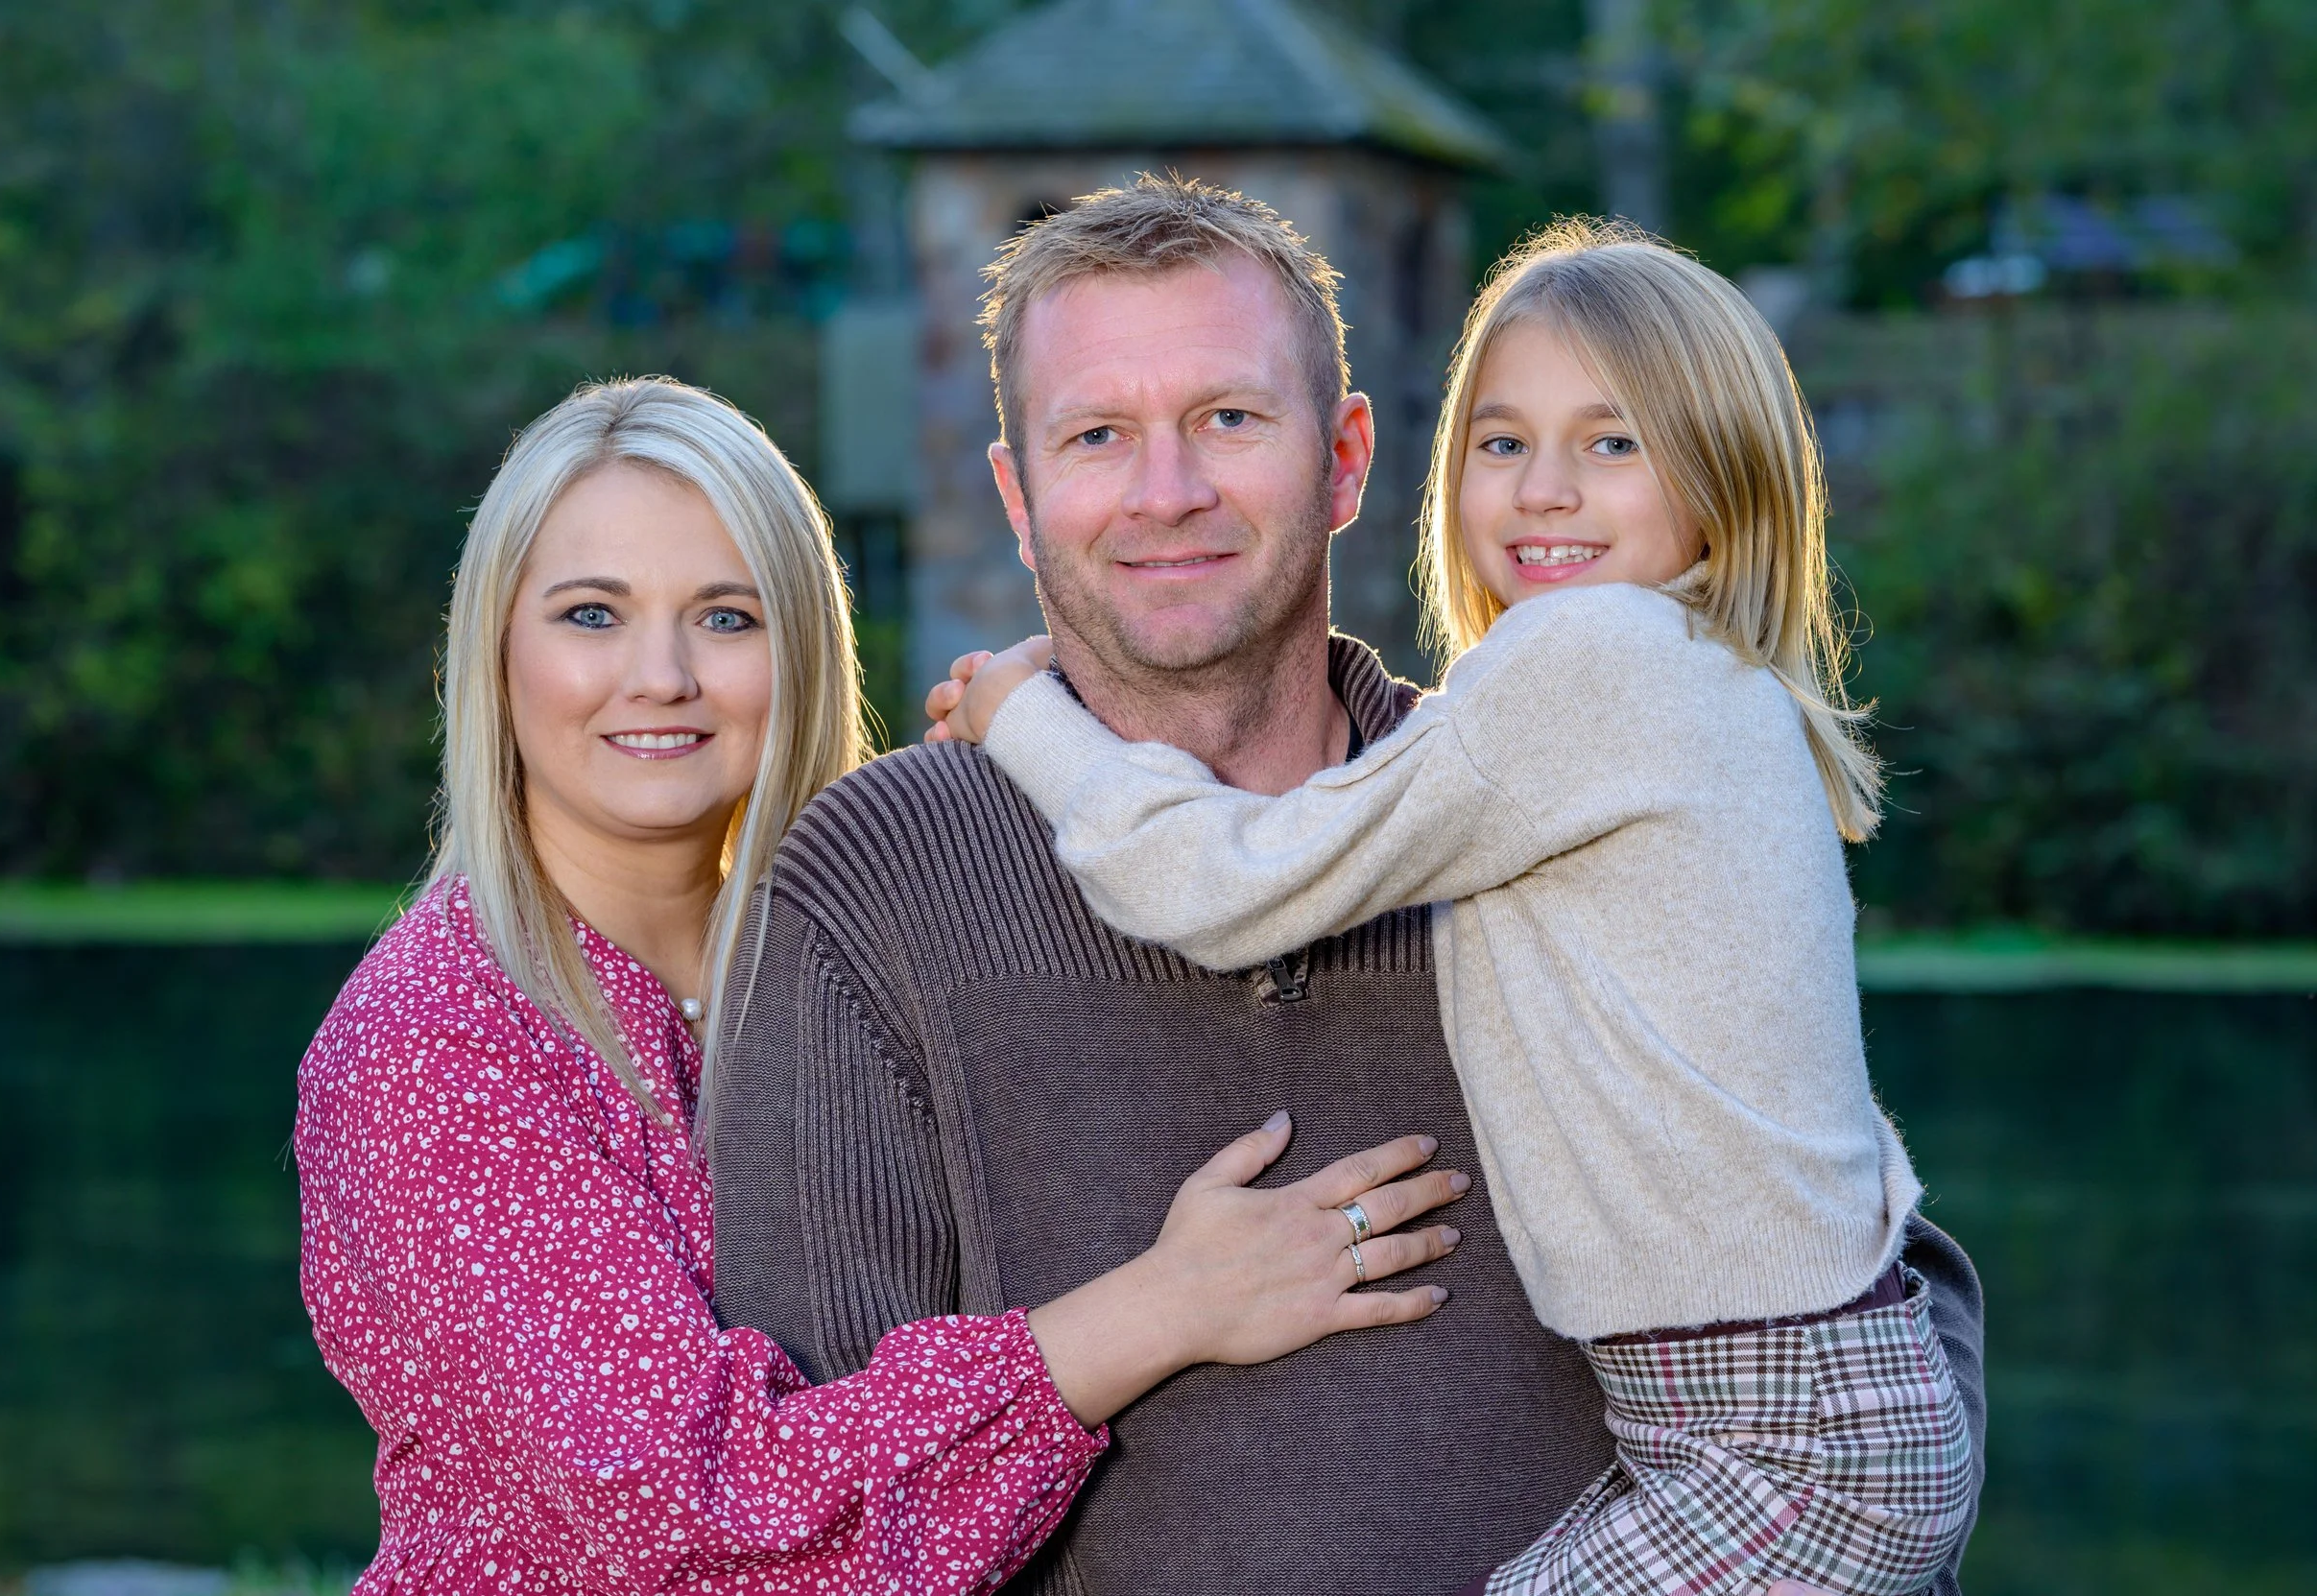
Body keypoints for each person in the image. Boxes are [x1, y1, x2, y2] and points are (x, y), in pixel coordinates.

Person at [705, 176, 1986, 1596]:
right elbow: (808, 1511)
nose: (1167, 487)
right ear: (1017, 494)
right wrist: (1154, 1309)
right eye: (1097, 434)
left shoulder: (1543, 797)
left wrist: (1023, 715)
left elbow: (1872, 1247)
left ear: (1349, 456)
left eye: (1231, 418)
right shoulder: (873, 883)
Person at [292, 376, 1469, 1596]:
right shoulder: (437, 1041)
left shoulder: (824, 955)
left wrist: (1032, 753)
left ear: (800, 647)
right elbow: (694, 1526)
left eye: (726, 617)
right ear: (494, 648)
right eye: (591, 615)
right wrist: (1165, 1309)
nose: (660, 675)